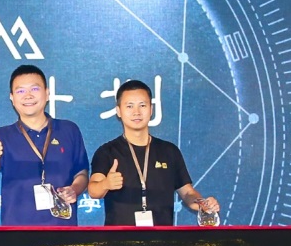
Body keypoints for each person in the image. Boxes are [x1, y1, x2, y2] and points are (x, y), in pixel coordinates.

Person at [87, 79, 220, 226]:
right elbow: (93, 190)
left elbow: (187, 193)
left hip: (162, 237)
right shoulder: (107, 152)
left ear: (151, 109)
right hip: (120, 238)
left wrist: (202, 204)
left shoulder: (169, 151)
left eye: (142, 105)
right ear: (118, 111)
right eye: (129, 106)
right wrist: (106, 184)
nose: (136, 112)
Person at [0, 64, 88, 226]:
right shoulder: (2, 136)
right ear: (12, 98)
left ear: (47, 93)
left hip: (62, 226)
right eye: (20, 91)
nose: (28, 96)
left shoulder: (69, 129)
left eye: (34, 89)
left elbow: (82, 172)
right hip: (17, 229)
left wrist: (74, 189)